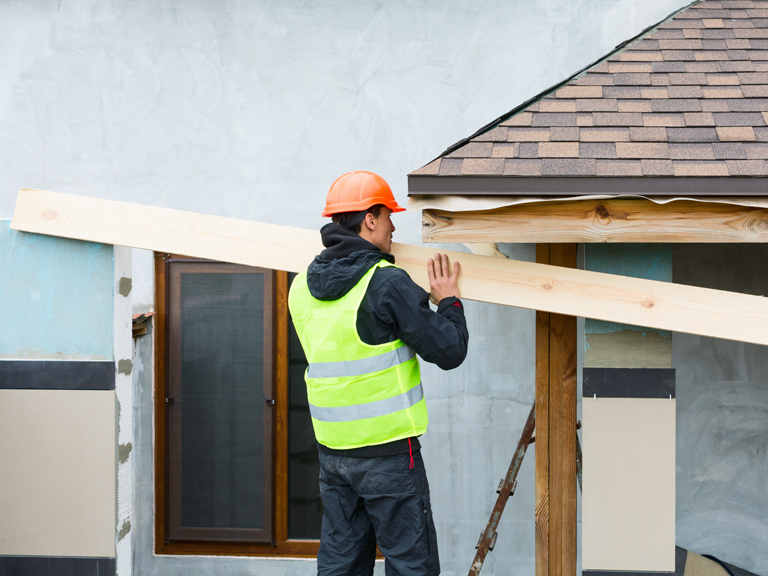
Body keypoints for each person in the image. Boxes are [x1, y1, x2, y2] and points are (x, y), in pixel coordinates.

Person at [288, 170, 469, 576]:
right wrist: (450, 302)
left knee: (341, 565)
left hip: (334, 456)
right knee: (411, 566)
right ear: (369, 218)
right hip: (388, 456)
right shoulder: (386, 283)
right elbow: (449, 350)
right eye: (388, 216)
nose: (392, 226)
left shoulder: (300, 286)